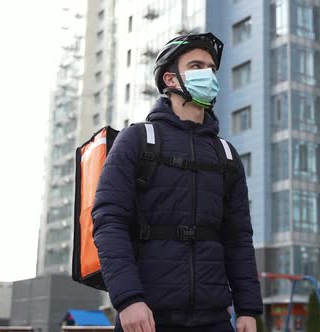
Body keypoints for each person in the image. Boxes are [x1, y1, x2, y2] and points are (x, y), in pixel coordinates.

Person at [92, 32, 263, 332]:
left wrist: (248, 308)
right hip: (147, 317)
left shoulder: (226, 155)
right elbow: (109, 221)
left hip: (215, 320)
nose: (208, 74)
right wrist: (128, 299)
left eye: (211, 68)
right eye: (197, 66)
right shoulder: (137, 140)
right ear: (170, 80)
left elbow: (238, 238)